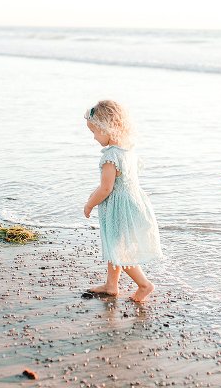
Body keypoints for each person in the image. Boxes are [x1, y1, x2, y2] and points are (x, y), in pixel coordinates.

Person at [83, 100, 163, 302]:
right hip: (134, 204)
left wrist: (90, 203)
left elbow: (107, 188)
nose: (93, 137)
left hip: (120, 209)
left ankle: (144, 285)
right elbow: (119, 182)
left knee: (121, 250)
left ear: (106, 128)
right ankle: (111, 285)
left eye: (94, 132)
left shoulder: (110, 156)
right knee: (115, 245)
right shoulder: (128, 151)